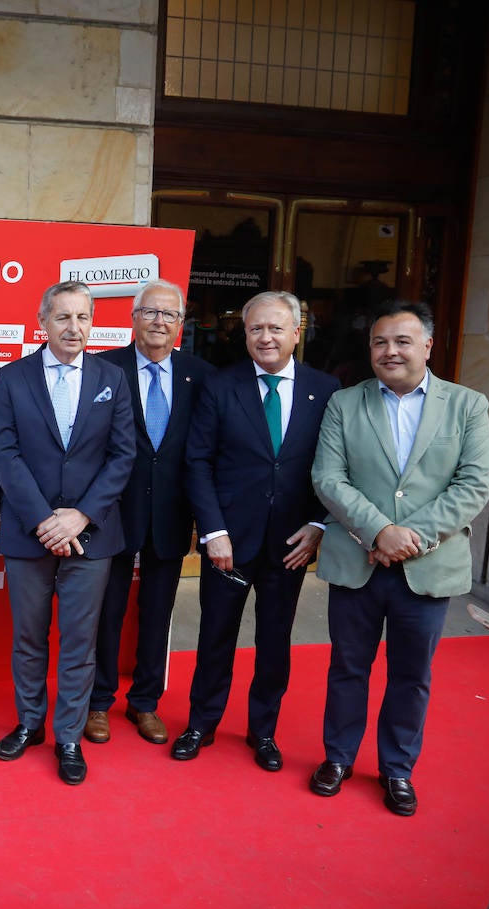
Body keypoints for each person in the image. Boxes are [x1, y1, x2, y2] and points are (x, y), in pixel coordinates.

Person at [309, 301, 489, 815]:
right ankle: (339, 757)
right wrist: (378, 530)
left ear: (428, 346)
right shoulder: (345, 404)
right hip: (358, 560)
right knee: (348, 667)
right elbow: (328, 478)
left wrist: (409, 536)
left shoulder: (467, 405)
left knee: (411, 674)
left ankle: (397, 769)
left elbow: (474, 484)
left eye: (402, 341)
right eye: (379, 342)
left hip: (427, 566)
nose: (390, 351)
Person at [173, 290, 339, 771]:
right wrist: (213, 531)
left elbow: (334, 466)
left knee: (274, 641)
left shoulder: (325, 390)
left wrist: (316, 524)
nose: (265, 337)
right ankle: (201, 723)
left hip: (290, 543)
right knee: (215, 637)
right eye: (255, 329)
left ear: (296, 332)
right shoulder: (220, 386)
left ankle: (263, 731)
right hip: (229, 541)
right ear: (243, 334)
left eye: (275, 328)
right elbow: (197, 461)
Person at [0, 281, 135, 785]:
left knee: (79, 641)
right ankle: (29, 724)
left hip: (91, 535)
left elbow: (123, 456)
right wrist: (43, 521)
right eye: (63, 318)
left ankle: (68, 735)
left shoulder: (112, 378)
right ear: (42, 321)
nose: (74, 328)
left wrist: (79, 516)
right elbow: (5, 454)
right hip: (30, 534)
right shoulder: (11, 378)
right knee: (28, 637)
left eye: (83, 318)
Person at [88, 280, 210, 745]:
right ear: (133, 317)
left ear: (181, 325)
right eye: (151, 312)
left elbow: (203, 451)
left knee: (157, 614)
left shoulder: (201, 375)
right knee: (107, 612)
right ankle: (98, 703)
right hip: (111, 513)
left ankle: (144, 703)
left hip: (172, 515)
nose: (160, 321)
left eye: (170, 315)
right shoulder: (103, 369)